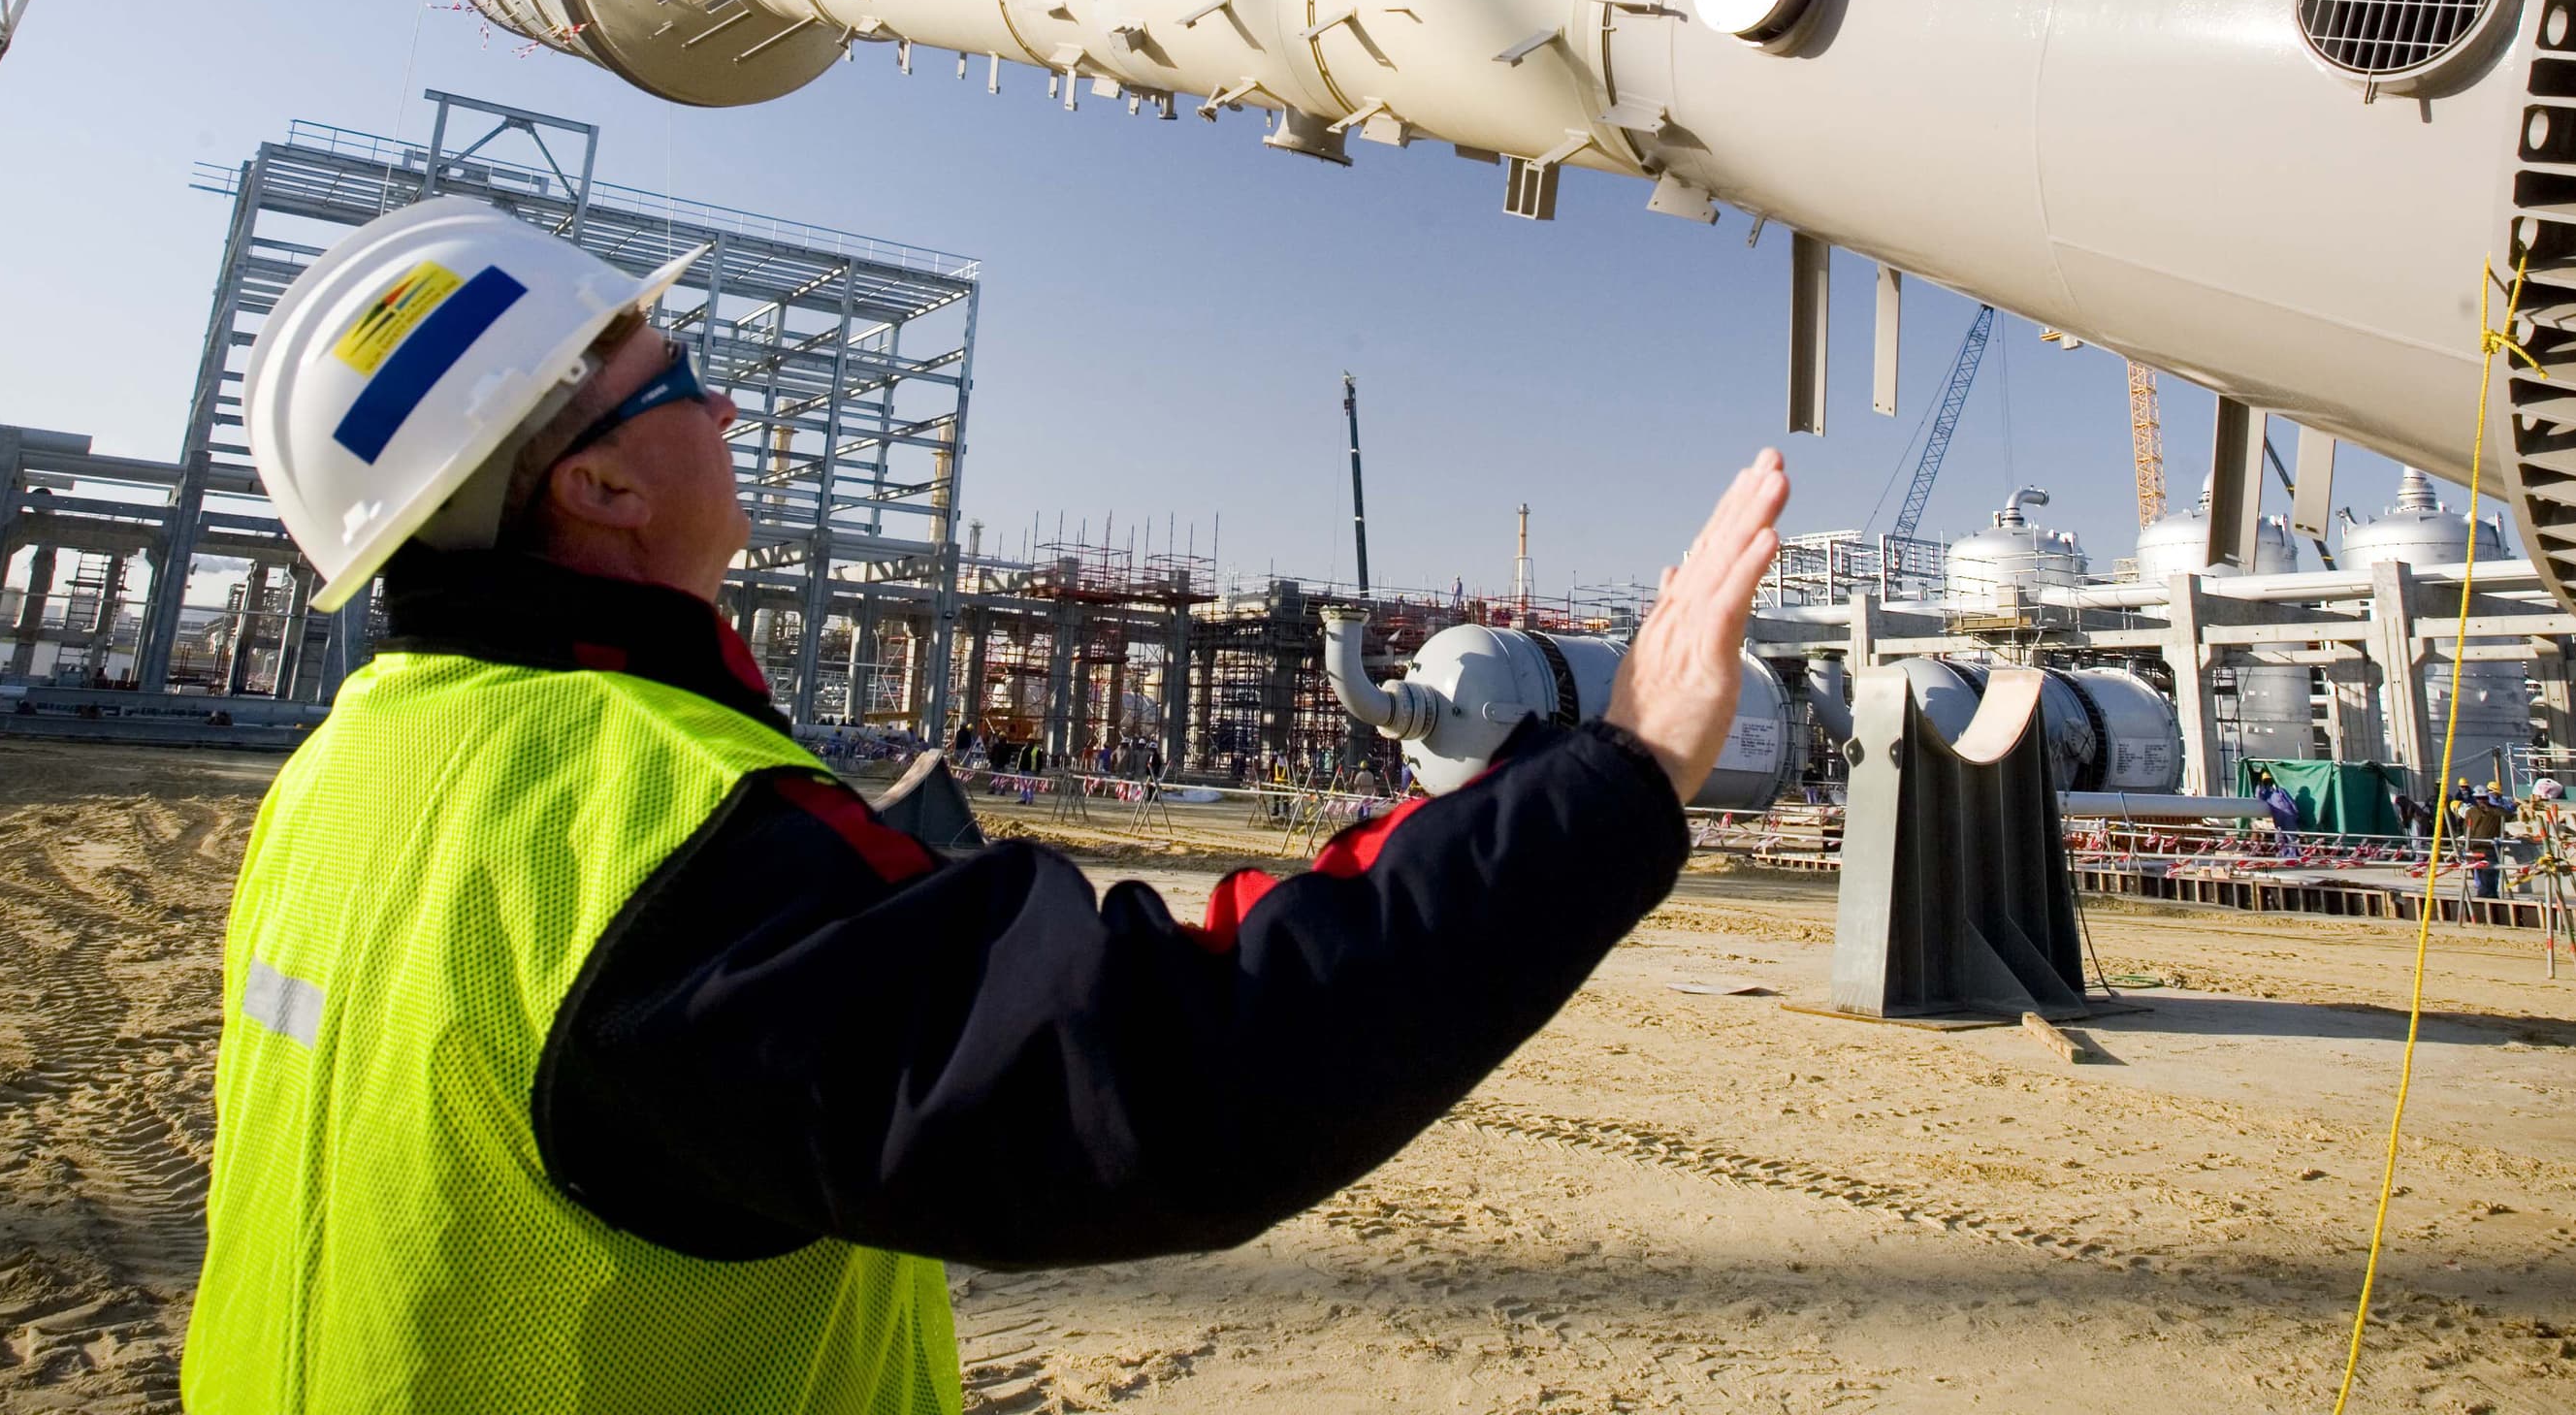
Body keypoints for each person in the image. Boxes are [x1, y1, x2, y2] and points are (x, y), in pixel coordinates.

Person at [181, 201, 1787, 1413]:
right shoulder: (661, 835)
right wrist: (1622, 772)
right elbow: (1180, 1073)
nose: (727, 413)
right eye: (684, 378)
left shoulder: (342, 777)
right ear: (596, 487)